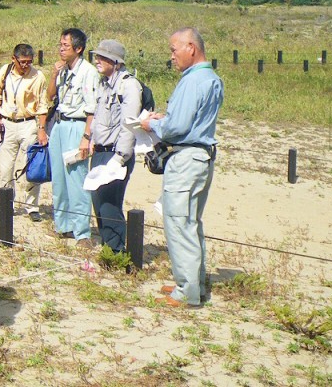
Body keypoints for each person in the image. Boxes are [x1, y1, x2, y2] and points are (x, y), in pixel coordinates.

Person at [141, 28, 223, 308]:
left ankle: (187, 291)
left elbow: (177, 128)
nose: (171, 56)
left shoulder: (191, 82)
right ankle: (192, 282)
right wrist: (169, 118)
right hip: (201, 156)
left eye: (174, 50)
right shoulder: (211, 78)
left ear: (191, 47)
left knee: (178, 222)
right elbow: (192, 118)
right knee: (191, 222)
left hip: (187, 157)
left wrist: (152, 124)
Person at [45, 28, 99, 248]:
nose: (61, 49)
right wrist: (53, 75)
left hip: (77, 127)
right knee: (58, 178)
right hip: (58, 124)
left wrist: (86, 137)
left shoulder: (88, 72)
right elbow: (49, 96)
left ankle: (82, 231)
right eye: (60, 44)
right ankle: (63, 224)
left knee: (77, 178)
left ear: (78, 49)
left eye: (65, 46)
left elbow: (92, 109)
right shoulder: (63, 70)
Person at [87, 39, 140, 252]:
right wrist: (92, 141)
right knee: (98, 203)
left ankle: (116, 251)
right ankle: (108, 247)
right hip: (100, 151)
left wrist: (119, 158)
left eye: (102, 57)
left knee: (110, 205)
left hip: (116, 155)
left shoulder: (129, 85)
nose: (97, 61)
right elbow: (99, 116)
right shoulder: (103, 83)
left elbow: (129, 125)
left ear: (116, 61)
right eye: (97, 56)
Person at [0, 43, 50, 222]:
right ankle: (6, 203)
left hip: (28, 123)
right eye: (22, 62)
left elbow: (42, 105)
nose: (25, 66)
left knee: (30, 167)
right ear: (13, 59)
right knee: (6, 167)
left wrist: (41, 129)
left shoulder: (38, 76)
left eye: (29, 62)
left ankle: (32, 206)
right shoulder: (5, 70)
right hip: (7, 123)